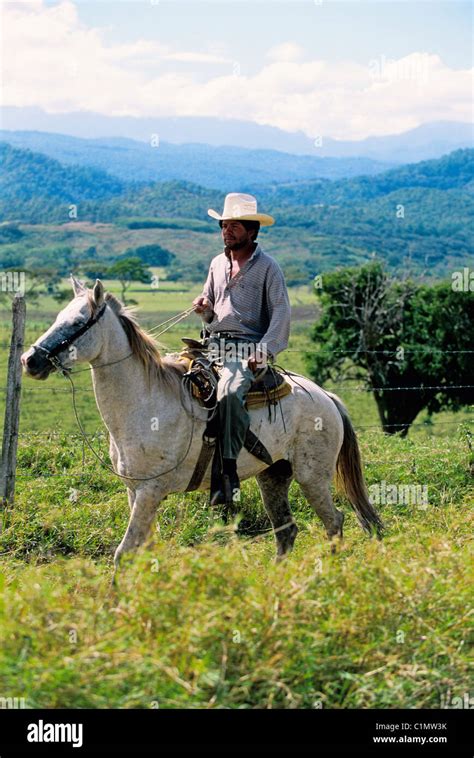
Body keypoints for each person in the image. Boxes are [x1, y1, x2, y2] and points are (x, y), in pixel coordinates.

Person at [193, 193, 291, 506]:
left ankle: (228, 473)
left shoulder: (268, 267)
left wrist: (264, 349)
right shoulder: (216, 263)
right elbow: (211, 311)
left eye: (235, 225)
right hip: (213, 345)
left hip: (248, 350)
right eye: (224, 225)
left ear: (252, 230)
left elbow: (281, 311)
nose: (227, 230)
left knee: (230, 391)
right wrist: (204, 309)